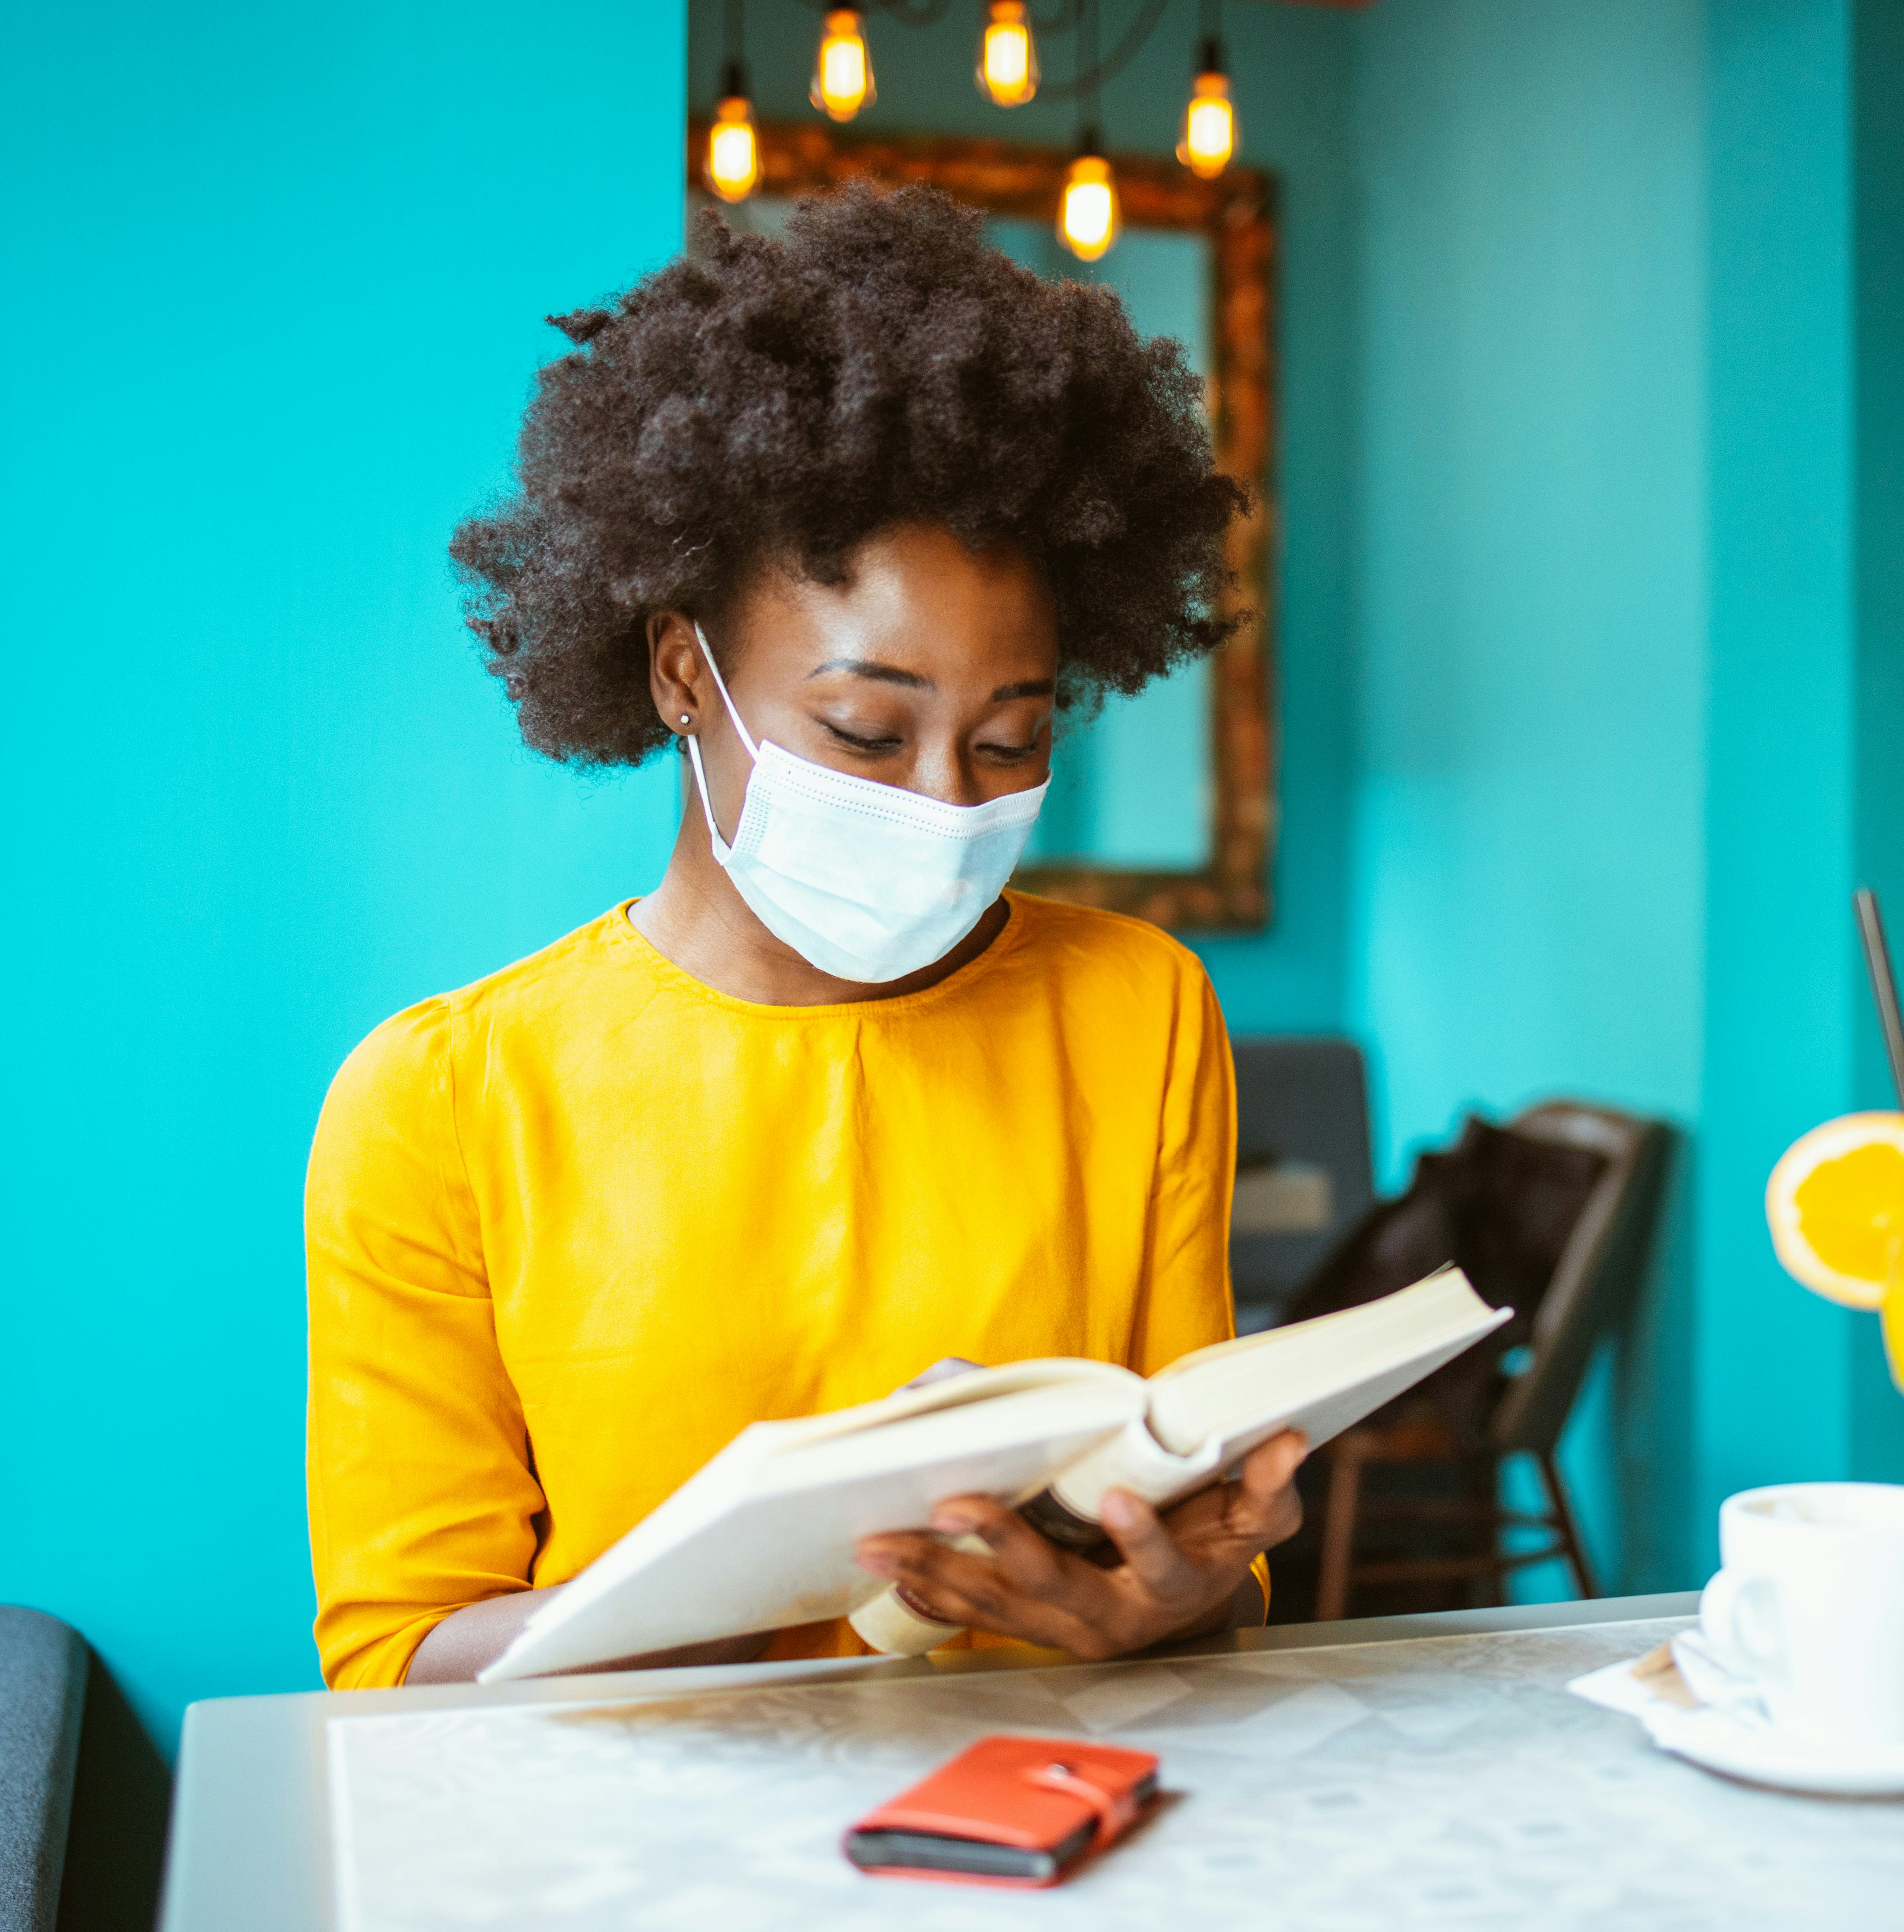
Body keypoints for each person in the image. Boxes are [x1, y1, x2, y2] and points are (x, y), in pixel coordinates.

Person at [305, 185, 1304, 1690]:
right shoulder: (443, 1099)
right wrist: (736, 1572)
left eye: (1008, 740)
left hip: (1043, 1823)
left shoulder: (1135, 1010)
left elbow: (1208, 1553)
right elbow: (397, 1652)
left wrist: (1178, 1601)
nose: (941, 802)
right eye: (863, 730)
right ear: (679, 676)